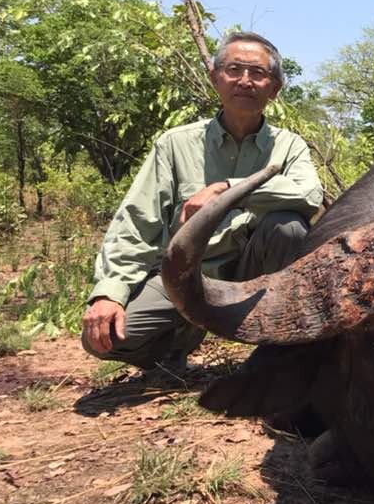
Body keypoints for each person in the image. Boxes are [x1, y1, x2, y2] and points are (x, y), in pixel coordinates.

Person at [80, 31, 323, 376]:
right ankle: (180, 339)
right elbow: (137, 223)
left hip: (251, 276)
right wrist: (109, 293)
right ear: (215, 77)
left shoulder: (289, 145)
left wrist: (227, 189)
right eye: (234, 69)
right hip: (186, 276)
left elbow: (309, 195)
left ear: (275, 88)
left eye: (258, 73)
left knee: (288, 225)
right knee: (106, 339)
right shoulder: (175, 144)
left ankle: (283, 356)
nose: (245, 81)